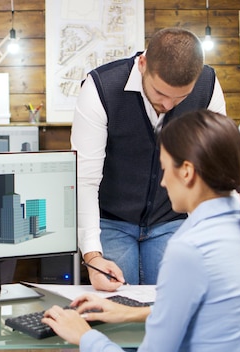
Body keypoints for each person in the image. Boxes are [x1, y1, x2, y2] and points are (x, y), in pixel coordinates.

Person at [43, 110, 240, 351]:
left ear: (186, 171)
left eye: (164, 169)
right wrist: (130, 312)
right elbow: (219, 310)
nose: (162, 182)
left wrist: (85, 337)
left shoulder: (189, 249)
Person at [72, 27, 227, 291]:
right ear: (142, 64)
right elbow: (84, 180)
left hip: (171, 219)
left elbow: (213, 169)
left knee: (173, 301)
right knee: (119, 304)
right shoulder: (100, 88)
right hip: (111, 221)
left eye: (181, 98)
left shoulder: (207, 85)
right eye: (160, 93)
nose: (169, 106)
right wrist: (93, 256)